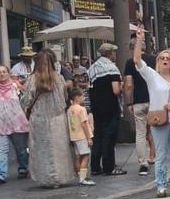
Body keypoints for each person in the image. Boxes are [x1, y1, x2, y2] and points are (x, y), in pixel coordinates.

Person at [132, 29, 170, 197]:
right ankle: (161, 186)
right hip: (159, 121)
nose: (165, 61)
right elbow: (137, 60)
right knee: (161, 154)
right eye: (162, 58)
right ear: (158, 62)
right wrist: (139, 40)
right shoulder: (152, 76)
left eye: (168, 59)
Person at [22, 50, 78, 187]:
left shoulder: (32, 80)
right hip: (57, 118)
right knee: (60, 149)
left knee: (42, 150)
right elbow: (63, 100)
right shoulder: (59, 78)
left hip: (39, 118)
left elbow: (26, 101)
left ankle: (46, 178)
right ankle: (59, 177)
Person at [0, 65, 30, 184]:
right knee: (0, 151)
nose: (2, 74)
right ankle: (1, 174)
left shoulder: (16, 86)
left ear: (8, 73)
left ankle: (23, 168)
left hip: (18, 123)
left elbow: (27, 101)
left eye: (4, 72)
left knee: (21, 149)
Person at [88, 43, 125, 176]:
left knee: (98, 135)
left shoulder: (92, 68)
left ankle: (95, 166)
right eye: (114, 52)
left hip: (96, 107)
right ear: (110, 53)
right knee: (109, 137)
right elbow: (116, 90)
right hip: (110, 107)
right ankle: (109, 166)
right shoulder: (111, 68)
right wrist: (123, 86)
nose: (115, 55)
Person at [124, 37, 157, 177]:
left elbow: (129, 84)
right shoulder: (154, 59)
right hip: (154, 100)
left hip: (138, 101)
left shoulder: (130, 62)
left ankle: (143, 163)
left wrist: (129, 102)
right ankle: (154, 156)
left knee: (140, 133)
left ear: (133, 49)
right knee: (155, 130)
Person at [67, 88, 94, 186]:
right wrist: (89, 137)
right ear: (77, 98)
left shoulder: (69, 110)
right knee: (86, 156)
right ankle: (83, 178)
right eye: (82, 96)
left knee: (78, 157)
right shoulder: (82, 109)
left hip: (74, 136)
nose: (84, 98)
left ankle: (80, 176)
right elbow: (84, 124)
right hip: (82, 136)